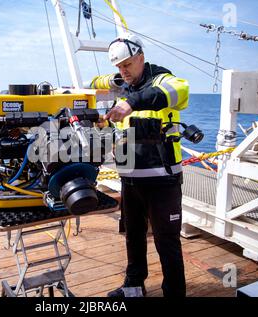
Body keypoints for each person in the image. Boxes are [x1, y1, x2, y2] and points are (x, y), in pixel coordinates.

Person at [103, 33, 189, 297]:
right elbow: (95, 85)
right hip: (130, 178)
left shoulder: (163, 79)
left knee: (167, 241)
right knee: (133, 235)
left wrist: (131, 102)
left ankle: (174, 293)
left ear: (141, 57)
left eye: (127, 64)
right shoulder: (121, 83)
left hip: (162, 179)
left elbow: (180, 90)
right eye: (118, 66)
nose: (123, 71)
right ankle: (134, 286)